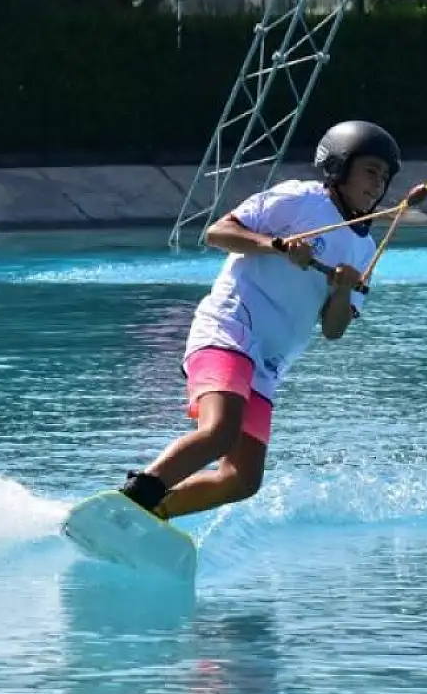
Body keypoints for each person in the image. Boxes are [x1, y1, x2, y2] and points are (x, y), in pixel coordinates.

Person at [118, 120, 403, 521]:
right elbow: (217, 233)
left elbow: (334, 330)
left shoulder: (365, 249)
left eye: (385, 178)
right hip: (229, 329)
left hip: (267, 364)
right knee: (220, 432)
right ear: (339, 166)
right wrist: (276, 246)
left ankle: (154, 513)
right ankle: (135, 496)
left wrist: (341, 291)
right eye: (371, 171)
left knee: (242, 479)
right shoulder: (298, 200)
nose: (378, 185)